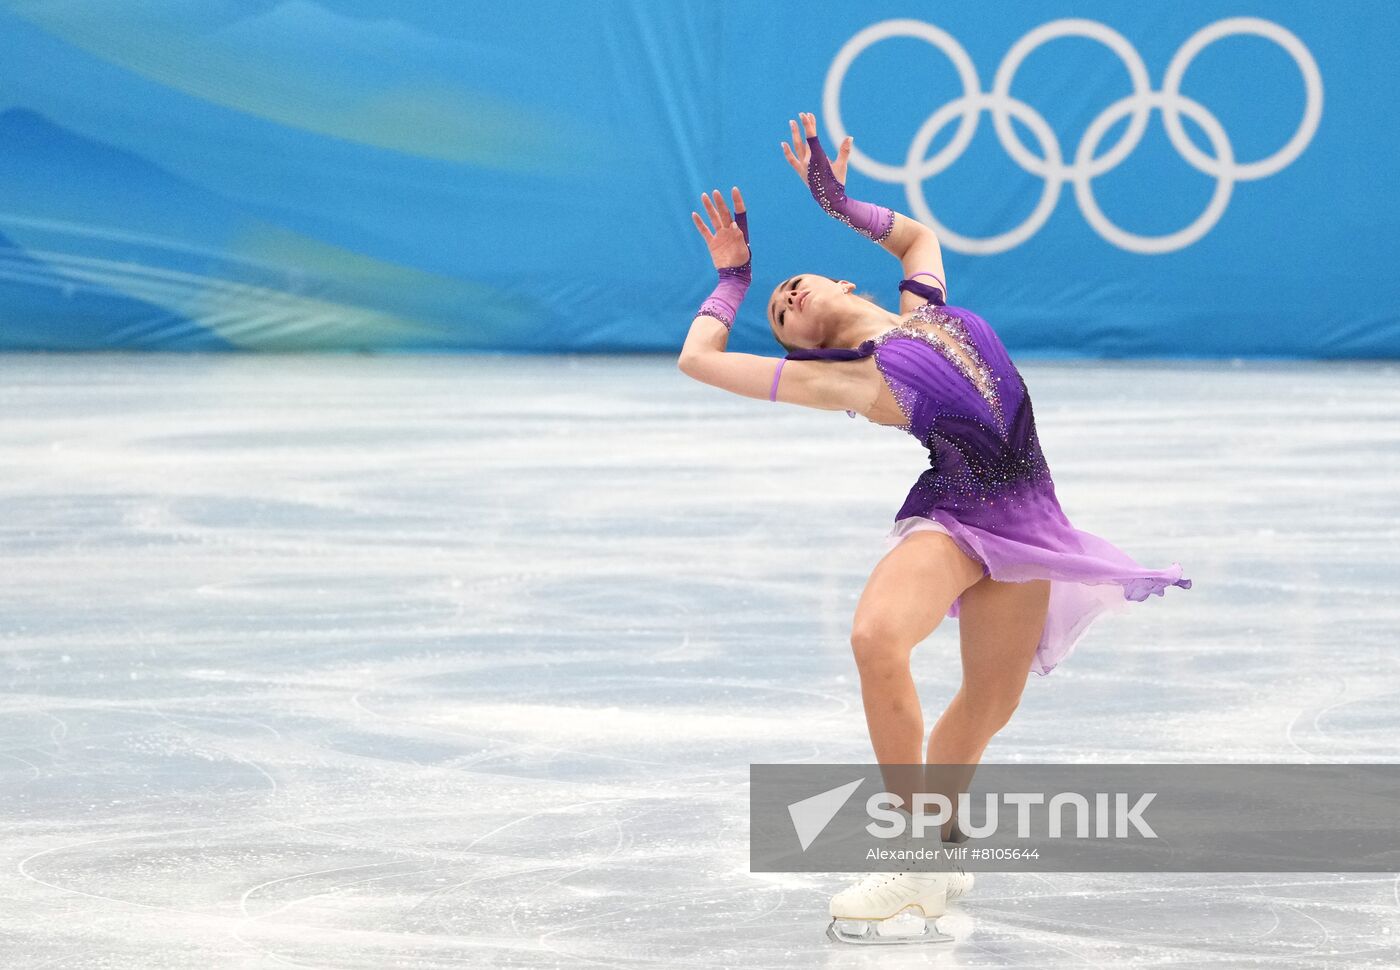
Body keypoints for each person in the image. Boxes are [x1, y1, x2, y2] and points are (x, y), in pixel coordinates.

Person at [678, 112, 1192, 944]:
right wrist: (734, 280)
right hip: (956, 513)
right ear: (800, 347)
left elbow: (917, 238)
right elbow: (698, 359)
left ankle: (940, 850)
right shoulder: (843, 379)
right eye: (776, 312)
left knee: (992, 699)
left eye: (791, 284)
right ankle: (912, 858)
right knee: (876, 637)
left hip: (1029, 514)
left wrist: (836, 199)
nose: (785, 297)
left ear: (848, 284)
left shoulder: (926, 308)